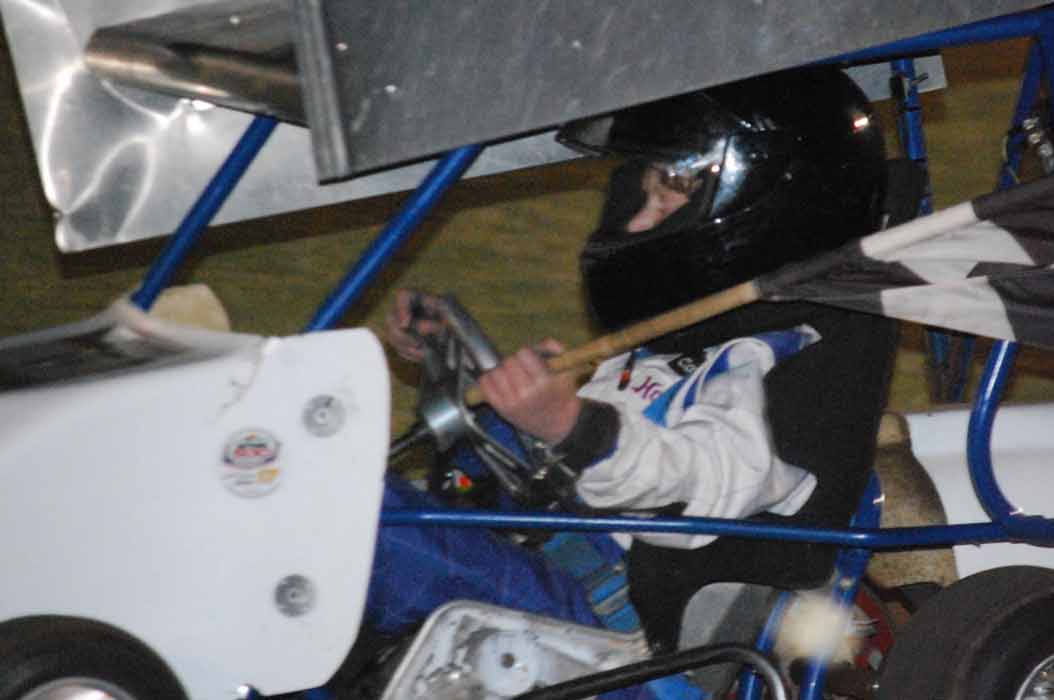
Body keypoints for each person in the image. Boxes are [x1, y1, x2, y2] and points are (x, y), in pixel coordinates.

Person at [357, 66, 903, 694]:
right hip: (539, 574)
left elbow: (702, 483)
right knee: (340, 491)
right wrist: (456, 371)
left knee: (357, 523)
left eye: (666, 202)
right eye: (640, 198)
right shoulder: (658, 353)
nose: (639, 224)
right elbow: (537, 473)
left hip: (599, 639)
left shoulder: (757, 366)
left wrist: (575, 428)